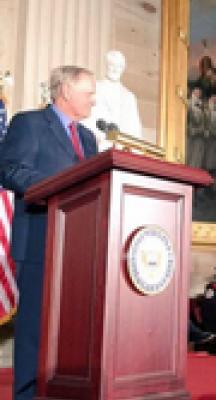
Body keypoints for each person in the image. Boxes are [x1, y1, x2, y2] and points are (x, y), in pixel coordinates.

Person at [0, 65, 98, 400]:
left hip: (78, 244)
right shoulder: (29, 123)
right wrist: (58, 188)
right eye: (89, 92)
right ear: (66, 90)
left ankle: (63, 388)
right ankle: (26, 394)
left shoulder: (88, 137)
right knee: (34, 328)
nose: (93, 100)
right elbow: (10, 170)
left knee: (70, 326)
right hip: (41, 238)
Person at [82, 50, 142, 150]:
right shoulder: (94, 88)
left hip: (121, 151)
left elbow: (134, 130)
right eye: (112, 65)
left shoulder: (129, 97)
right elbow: (85, 119)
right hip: (96, 148)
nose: (115, 69)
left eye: (119, 66)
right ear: (106, 66)